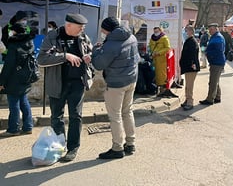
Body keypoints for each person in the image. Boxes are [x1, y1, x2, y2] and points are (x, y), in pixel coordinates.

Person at [37, 13, 94, 162]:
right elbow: (41, 59)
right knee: (57, 117)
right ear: (68, 25)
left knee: (76, 116)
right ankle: (59, 145)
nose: (82, 29)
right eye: (80, 27)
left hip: (77, 83)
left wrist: (89, 57)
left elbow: (90, 51)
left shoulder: (82, 37)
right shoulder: (52, 37)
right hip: (57, 83)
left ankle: (73, 148)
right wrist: (65, 56)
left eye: (83, 27)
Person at [91, 17, 140, 159]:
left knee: (115, 116)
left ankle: (117, 147)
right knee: (127, 111)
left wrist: (95, 51)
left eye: (103, 29)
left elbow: (99, 64)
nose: (101, 31)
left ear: (108, 29)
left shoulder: (112, 44)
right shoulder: (131, 37)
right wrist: (104, 48)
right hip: (131, 80)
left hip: (116, 84)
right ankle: (130, 143)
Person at [0, 22, 35, 137]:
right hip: (26, 77)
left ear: (15, 31)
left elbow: (8, 66)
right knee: (24, 102)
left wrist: (1, 82)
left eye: (12, 30)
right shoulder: (30, 43)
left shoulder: (14, 45)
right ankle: (28, 127)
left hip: (14, 79)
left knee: (14, 103)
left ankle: (13, 129)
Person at [199, 23, 226, 105]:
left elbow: (218, 51)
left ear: (216, 29)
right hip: (216, 61)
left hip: (216, 62)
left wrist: (208, 53)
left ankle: (210, 99)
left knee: (212, 82)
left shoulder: (218, 37)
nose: (210, 31)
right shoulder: (216, 36)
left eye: (211, 29)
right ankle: (217, 97)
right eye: (209, 29)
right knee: (216, 81)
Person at [179, 25, 200, 110]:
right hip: (188, 67)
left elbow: (193, 55)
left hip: (191, 67)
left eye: (186, 31)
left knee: (190, 85)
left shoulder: (192, 41)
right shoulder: (189, 40)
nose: (185, 32)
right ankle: (187, 99)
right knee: (187, 85)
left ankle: (190, 102)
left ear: (191, 32)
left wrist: (192, 64)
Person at [148, 26, 171, 95]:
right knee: (154, 75)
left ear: (160, 31)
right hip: (153, 59)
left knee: (161, 75)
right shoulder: (152, 38)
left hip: (161, 59)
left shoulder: (164, 38)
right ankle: (155, 89)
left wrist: (159, 52)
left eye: (157, 31)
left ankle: (162, 91)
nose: (156, 33)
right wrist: (150, 52)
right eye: (155, 32)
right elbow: (150, 46)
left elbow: (167, 48)